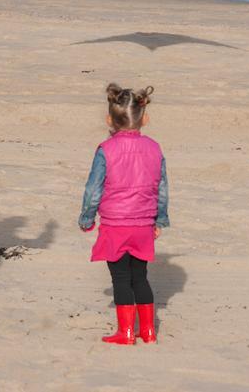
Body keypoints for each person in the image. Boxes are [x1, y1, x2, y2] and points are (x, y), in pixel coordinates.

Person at [78, 83, 170, 345]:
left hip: (115, 225)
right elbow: (161, 187)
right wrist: (159, 218)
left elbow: (93, 188)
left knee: (120, 278)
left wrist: (87, 217)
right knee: (140, 276)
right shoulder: (154, 148)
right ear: (145, 118)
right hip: (143, 224)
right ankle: (148, 331)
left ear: (109, 119)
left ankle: (126, 332)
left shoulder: (105, 150)